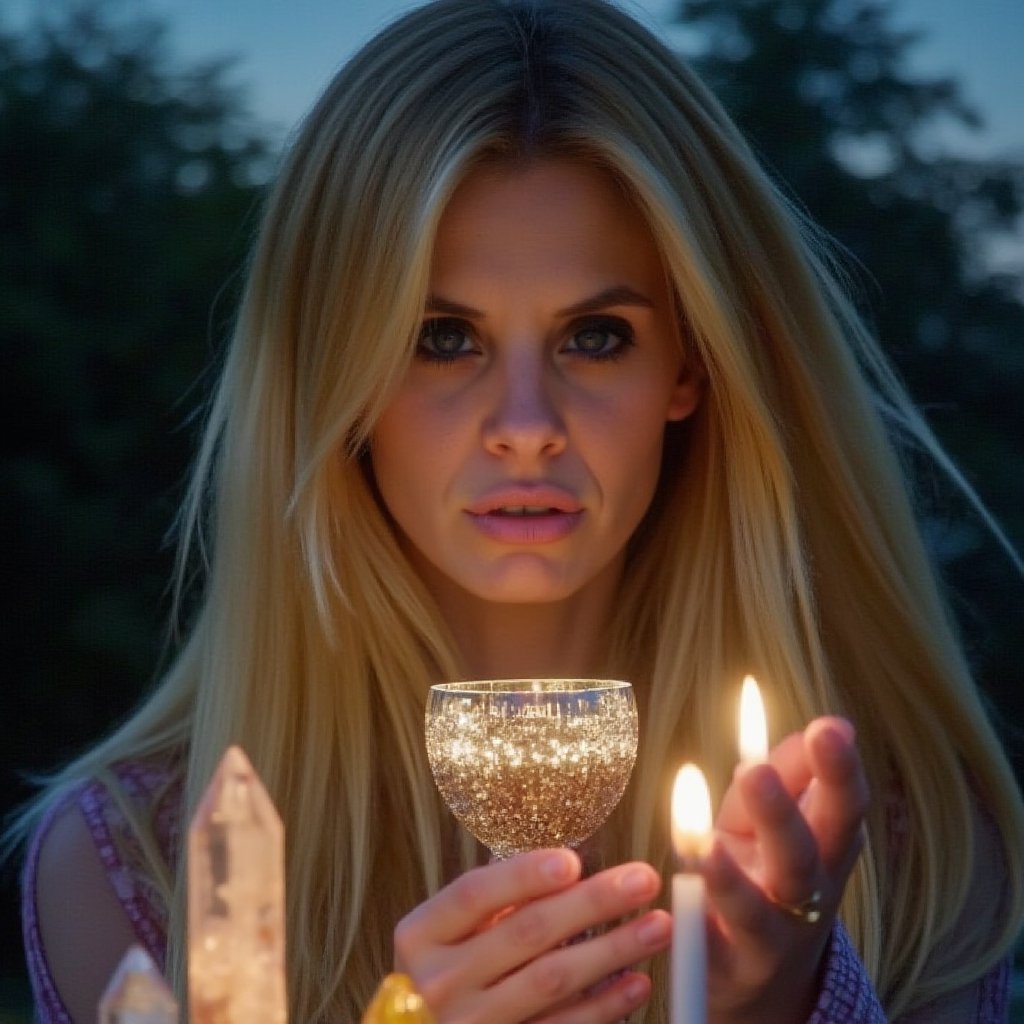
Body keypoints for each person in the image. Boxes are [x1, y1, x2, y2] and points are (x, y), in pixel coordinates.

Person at [7, 0, 1024, 1022]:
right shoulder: (136, 862)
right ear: (335, 380)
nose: (526, 426)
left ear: (691, 361)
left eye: (595, 336)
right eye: (442, 337)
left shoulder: (908, 841)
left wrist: (787, 1007)